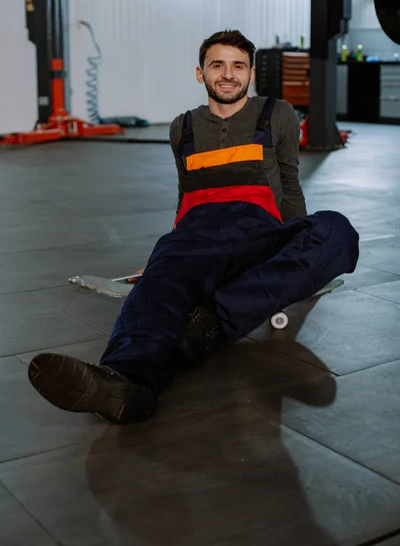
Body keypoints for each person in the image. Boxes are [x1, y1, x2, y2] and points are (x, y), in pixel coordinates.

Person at [28, 30, 359, 424]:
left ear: (251, 74)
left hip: (261, 232)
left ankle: (211, 322)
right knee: (161, 285)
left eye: (238, 66)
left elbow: (289, 185)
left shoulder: (278, 114)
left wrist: (292, 256)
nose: (228, 74)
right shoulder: (182, 128)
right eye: (217, 65)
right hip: (197, 233)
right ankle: (124, 383)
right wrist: (165, 261)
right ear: (200, 73)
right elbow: (186, 196)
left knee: (336, 230)